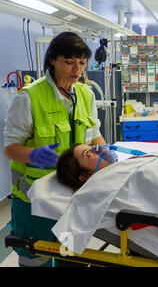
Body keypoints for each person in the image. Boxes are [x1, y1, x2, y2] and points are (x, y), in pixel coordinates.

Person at [3, 31, 106, 267]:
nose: (76, 69)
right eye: (69, 62)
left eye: (81, 62)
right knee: (34, 258)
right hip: (34, 196)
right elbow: (10, 148)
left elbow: (94, 133)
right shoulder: (29, 98)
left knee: (70, 255)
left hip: (73, 194)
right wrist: (32, 154)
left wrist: (106, 155)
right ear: (52, 59)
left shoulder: (85, 94)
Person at [56, 144, 158, 190]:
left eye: (91, 147)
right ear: (85, 176)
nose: (98, 149)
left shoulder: (124, 166)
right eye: (88, 153)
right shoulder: (119, 184)